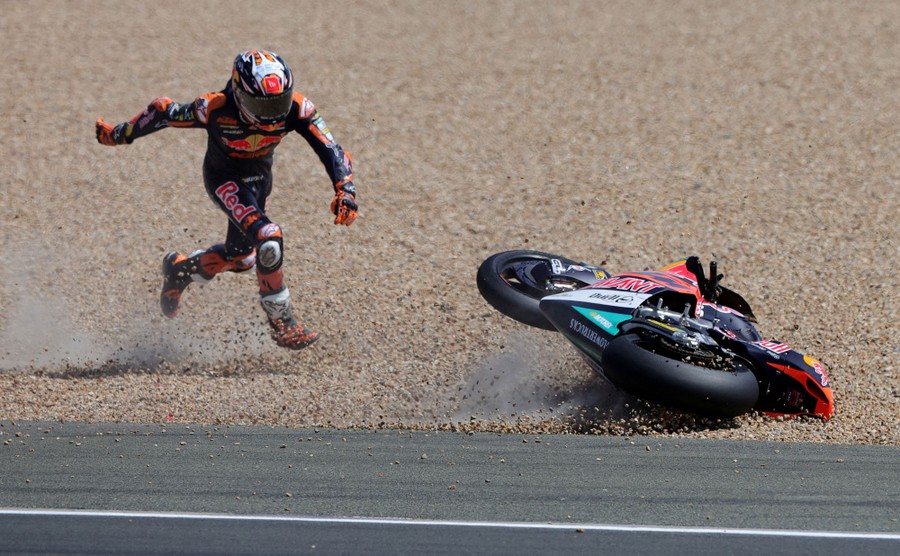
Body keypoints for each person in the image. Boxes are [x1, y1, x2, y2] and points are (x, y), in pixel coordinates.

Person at [96, 50, 357, 350]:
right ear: (238, 91)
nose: (271, 114)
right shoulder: (214, 108)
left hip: (259, 180)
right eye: (261, 104)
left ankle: (180, 269)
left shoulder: (298, 108)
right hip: (224, 178)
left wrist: (345, 189)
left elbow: (332, 149)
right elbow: (163, 112)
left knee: (242, 257)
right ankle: (283, 324)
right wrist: (120, 134)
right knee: (269, 238)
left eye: (278, 102)